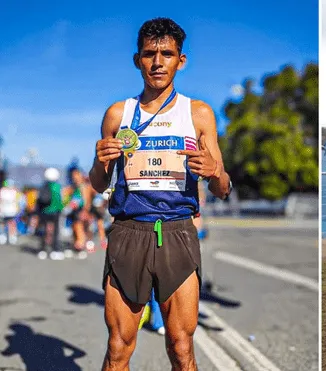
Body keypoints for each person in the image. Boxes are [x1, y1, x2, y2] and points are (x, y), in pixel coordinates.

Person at [88, 17, 232, 371]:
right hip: (128, 233)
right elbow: (97, 183)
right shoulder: (119, 114)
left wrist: (214, 170)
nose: (157, 62)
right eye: (150, 54)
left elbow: (223, 186)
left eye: (166, 54)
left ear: (180, 60)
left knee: (181, 347)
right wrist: (100, 161)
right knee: (119, 347)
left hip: (178, 232)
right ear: (137, 59)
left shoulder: (197, 113)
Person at [37, 168, 65, 260]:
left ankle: (42, 250)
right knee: (56, 231)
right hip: (55, 212)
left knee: (44, 230)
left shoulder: (43, 186)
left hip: (44, 211)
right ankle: (55, 250)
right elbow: (59, 201)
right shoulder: (57, 187)